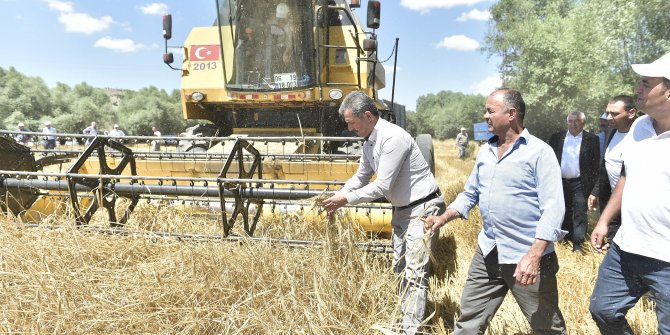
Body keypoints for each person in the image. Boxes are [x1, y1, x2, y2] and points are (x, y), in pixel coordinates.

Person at [425, 89, 567, 334]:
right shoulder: (486, 151)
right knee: (469, 320)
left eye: (490, 111)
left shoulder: (540, 152)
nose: (485, 116)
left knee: (547, 327)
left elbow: (554, 208)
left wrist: (534, 256)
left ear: (511, 114)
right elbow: (470, 194)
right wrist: (444, 217)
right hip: (489, 251)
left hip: (526, 256)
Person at [322, 91, 444, 334]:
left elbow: (382, 186)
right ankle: (405, 321)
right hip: (401, 210)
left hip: (423, 209)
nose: (349, 128)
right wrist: (339, 194)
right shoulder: (369, 140)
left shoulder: (392, 138)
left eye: (351, 122)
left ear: (367, 116)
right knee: (400, 269)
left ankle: (411, 330)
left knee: (414, 273)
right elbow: (362, 175)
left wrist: (345, 199)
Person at [589, 52, 670, 335]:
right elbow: (627, 175)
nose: (637, 89)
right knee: (603, 310)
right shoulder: (639, 126)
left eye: (646, 84)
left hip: (667, 257)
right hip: (626, 247)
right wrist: (604, 219)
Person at [587, 95, 637, 244]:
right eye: (607, 113)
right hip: (612, 201)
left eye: (614, 114)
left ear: (631, 113)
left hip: (634, 203)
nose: (608, 118)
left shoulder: (641, 134)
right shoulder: (611, 132)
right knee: (614, 240)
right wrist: (596, 192)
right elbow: (605, 166)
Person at [548, 111, 600, 252]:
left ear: (583, 123)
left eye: (577, 121)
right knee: (562, 211)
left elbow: (596, 166)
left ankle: (578, 245)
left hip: (580, 183)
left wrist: (594, 190)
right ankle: (564, 240)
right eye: (570, 121)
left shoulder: (592, 139)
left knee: (579, 213)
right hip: (560, 183)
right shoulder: (557, 138)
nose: (573, 124)